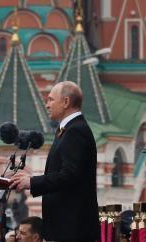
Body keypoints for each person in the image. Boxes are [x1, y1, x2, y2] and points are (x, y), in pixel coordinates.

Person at [11, 80, 99, 242]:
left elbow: (69, 175)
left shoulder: (75, 131)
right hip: (66, 227)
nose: (47, 105)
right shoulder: (67, 129)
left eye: (51, 99)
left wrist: (32, 182)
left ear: (66, 102)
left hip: (73, 229)